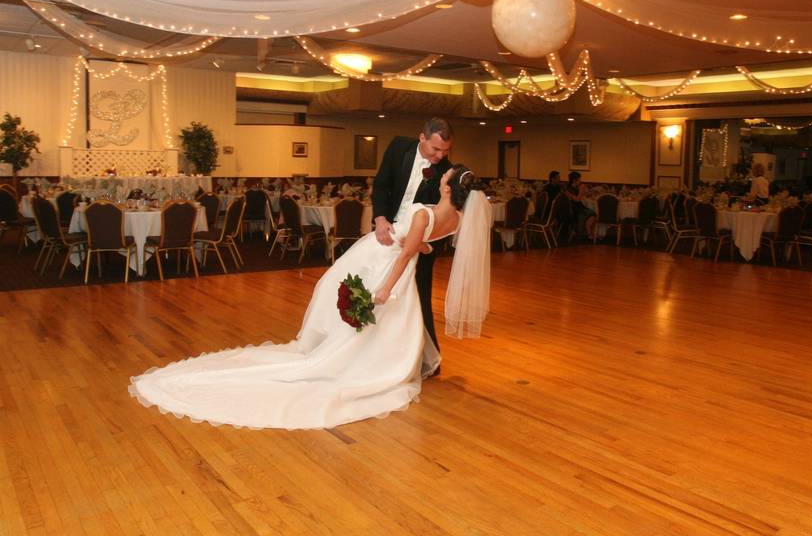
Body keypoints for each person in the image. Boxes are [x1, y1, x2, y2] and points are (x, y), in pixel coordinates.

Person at [129, 165, 491, 430]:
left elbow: (405, 253)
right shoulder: (458, 220)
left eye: (444, 178)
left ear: (446, 189)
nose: (440, 178)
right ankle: (361, 358)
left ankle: (338, 360)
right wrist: (415, 245)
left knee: (347, 300)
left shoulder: (425, 212)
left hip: (381, 262)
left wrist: (385, 287)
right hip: (400, 268)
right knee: (380, 322)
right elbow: (423, 247)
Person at [372, 117, 453, 357]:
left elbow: (443, 222)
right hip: (386, 234)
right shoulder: (399, 147)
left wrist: (423, 246)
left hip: (420, 244)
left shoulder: (446, 173)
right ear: (422, 138)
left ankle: (423, 358)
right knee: (378, 293)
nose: (440, 155)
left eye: (446, 150)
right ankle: (376, 352)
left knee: (418, 300)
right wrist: (380, 218)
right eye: (435, 148)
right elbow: (381, 185)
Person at [565, 171, 596, 240]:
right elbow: (577, 200)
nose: (580, 181)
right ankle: (588, 234)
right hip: (574, 210)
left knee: (593, 214)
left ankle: (589, 233)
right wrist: (581, 191)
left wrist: (587, 192)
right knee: (592, 213)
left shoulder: (574, 188)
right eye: (579, 179)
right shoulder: (568, 189)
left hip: (579, 207)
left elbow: (580, 197)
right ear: (574, 180)